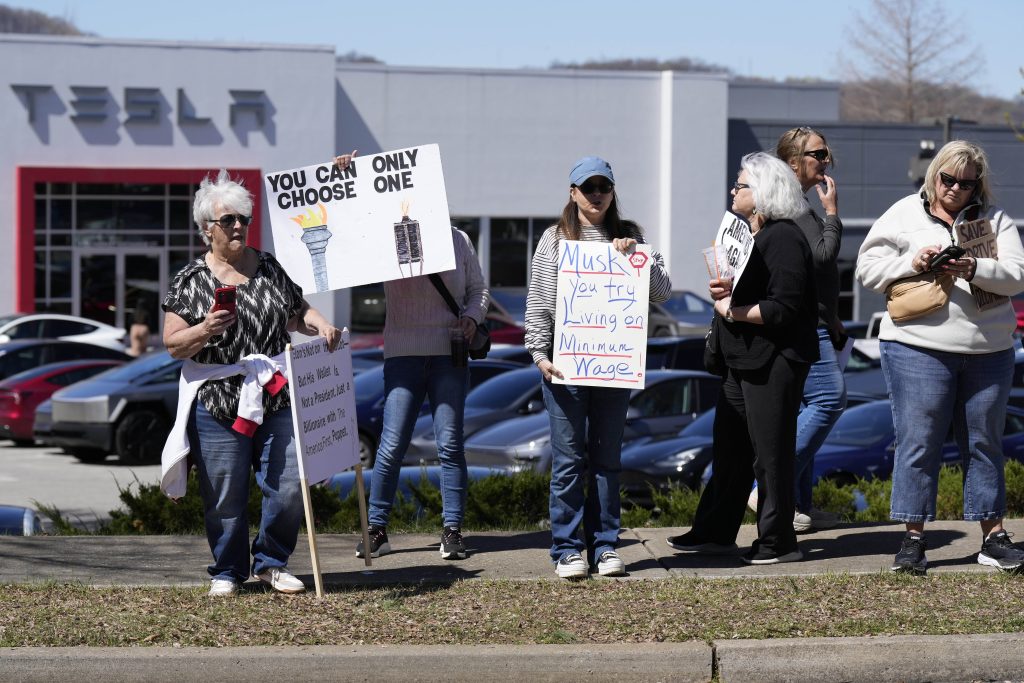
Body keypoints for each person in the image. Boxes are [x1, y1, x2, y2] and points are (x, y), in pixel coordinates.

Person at [160, 169, 341, 596]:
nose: (239, 225)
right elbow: (172, 345)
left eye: (243, 218)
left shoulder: (270, 267)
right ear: (208, 230)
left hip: (275, 392)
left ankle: (272, 561)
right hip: (219, 398)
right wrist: (205, 328)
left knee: (290, 480)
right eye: (229, 220)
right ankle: (227, 570)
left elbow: (299, 312)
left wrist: (323, 325)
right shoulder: (191, 280)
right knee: (224, 491)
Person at [856, 140, 1024, 574]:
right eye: (947, 179)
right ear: (934, 176)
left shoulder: (995, 220)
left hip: (989, 350)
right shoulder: (902, 214)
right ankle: (912, 541)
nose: (955, 189)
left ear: (977, 186)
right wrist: (914, 262)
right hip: (916, 347)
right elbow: (867, 269)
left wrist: (973, 268)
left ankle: (993, 538)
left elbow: (1016, 276)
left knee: (985, 443)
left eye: (966, 184)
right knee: (919, 442)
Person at [332, 153, 489, 562]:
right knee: (391, 445)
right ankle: (377, 529)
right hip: (402, 352)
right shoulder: (388, 239)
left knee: (450, 444)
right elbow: (350, 230)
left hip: (449, 351)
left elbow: (479, 290)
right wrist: (348, 176)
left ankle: (452, 530)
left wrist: (472, 318)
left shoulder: (458, 239)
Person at [667, 152, 818, 565]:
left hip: (774, 360)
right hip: (742, 360)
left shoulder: (784, 237)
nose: (734, 190)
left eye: (742, 184)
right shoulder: (753, 234)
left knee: (770, 454)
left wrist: (731, 310)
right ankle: (715, 531)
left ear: (765, 192)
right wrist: (725, 293)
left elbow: (782, 308)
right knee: (730, 452)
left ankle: (778, 541)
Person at [525, 156, 672, 579]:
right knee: (569, 460)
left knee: (607, 460)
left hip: (613, 368)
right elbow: (538, 301)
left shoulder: (631, 236)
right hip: (565, 365)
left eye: (602, 187)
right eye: (587, 188)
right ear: (572, 193)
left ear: (613, 192)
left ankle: (606, 545)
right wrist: (539, 354)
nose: (596, 195)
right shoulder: (554, 239)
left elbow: (661, 292)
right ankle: (568, 549)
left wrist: (635, 259)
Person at [775, 126, 847, 533]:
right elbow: (823, 255)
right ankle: (764, 486)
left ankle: (798, 505)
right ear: (793, 162)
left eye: (826, 153)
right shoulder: (792, 205)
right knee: (829, 400)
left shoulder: (798, 203)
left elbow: (815, 274)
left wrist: (831, 314)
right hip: (802, 326)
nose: (826, 161)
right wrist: (834, 213)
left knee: (806, 410)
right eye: (818, 154)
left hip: (817, 321)